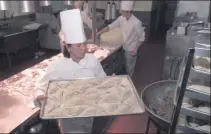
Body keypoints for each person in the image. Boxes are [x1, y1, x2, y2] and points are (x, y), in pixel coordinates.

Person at [34, 9, 106, 133]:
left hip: (89, 111)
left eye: (84, 43)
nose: (84, 48)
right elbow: (41, 86)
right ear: (68, 47)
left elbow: (101, 77)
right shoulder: (58, 66)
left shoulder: (92, 61)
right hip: (68, 117)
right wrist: (40, 96)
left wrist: (111, 82)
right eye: (78, 45)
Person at [97, 1, 145, 77]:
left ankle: (129, 81)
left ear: (128, 11)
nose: (121, 12)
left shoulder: (136, 22)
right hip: (124, 45)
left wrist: (136, 49)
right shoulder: (121, 18)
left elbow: (142, 38)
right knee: (124, 65)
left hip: (131, 48)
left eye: (122, 11)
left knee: (129, 67)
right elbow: (110, 27)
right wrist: (99, 32)